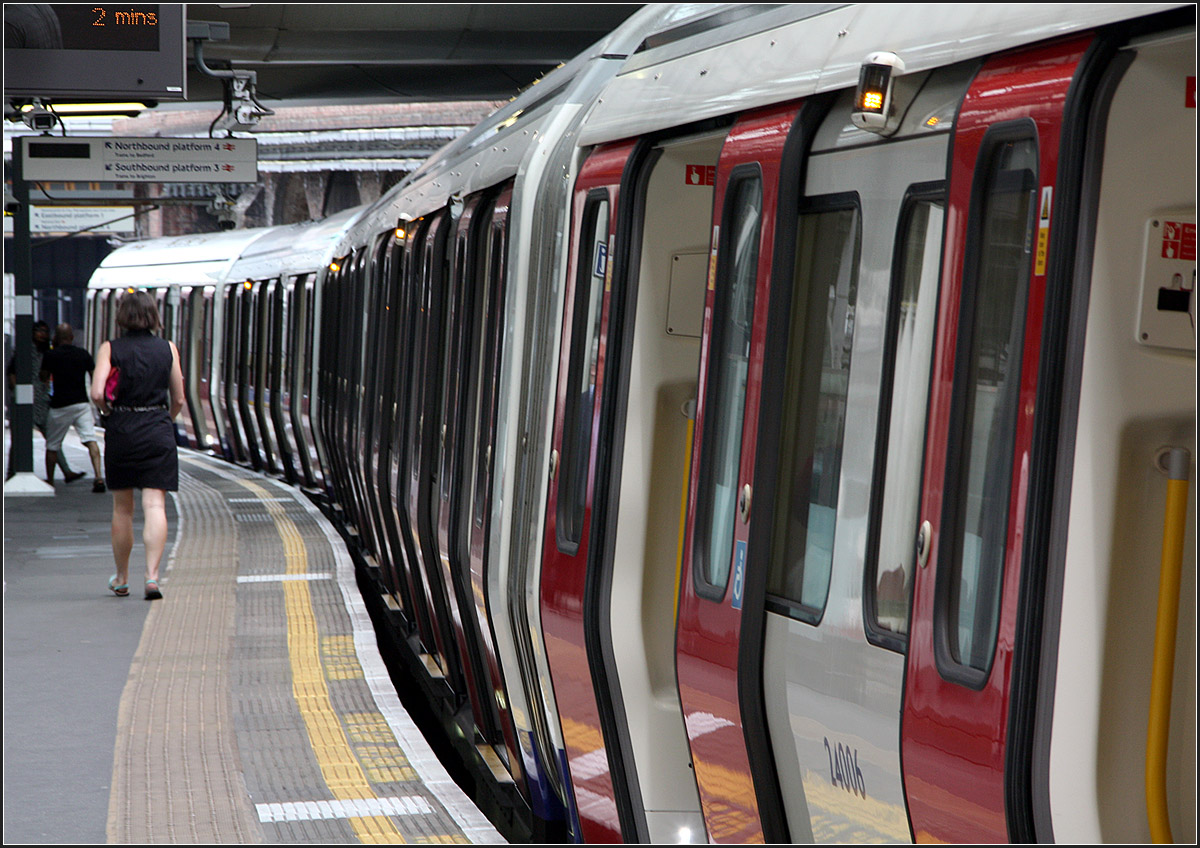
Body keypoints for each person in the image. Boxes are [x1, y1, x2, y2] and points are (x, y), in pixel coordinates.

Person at [91, 292, 184, 601]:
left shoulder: (110, 348)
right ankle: (153, 577)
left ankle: (121, 577)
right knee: (155, 505)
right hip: (157, 428)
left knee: (123, 508)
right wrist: (163, 419)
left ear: (122, 316)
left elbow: (97, 393)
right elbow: (179, 398)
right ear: (152, 316)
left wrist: (108, 413)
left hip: (122, 429)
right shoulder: (167, 348)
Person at [6, 320, 84, 482]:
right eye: (38, 331)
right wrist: (17, 390)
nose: (42, 334)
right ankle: (11, 473)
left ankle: (66, 471)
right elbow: (11, 372)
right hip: (23, 401)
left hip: (42, 401)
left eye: (45, 331)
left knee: (53, 438)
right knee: (18, 439)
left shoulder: (48, 352)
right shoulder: (24, 351)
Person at [39, 323, 105, 490]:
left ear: (57, 338)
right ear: (72, 337)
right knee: (90, 440)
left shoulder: (51, 355)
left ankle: (51, 480)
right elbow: (94, 374)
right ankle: (98, 476)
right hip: (81, 404)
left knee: (52, 446)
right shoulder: (82, 354)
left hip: (59, 406)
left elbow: (43, 377)